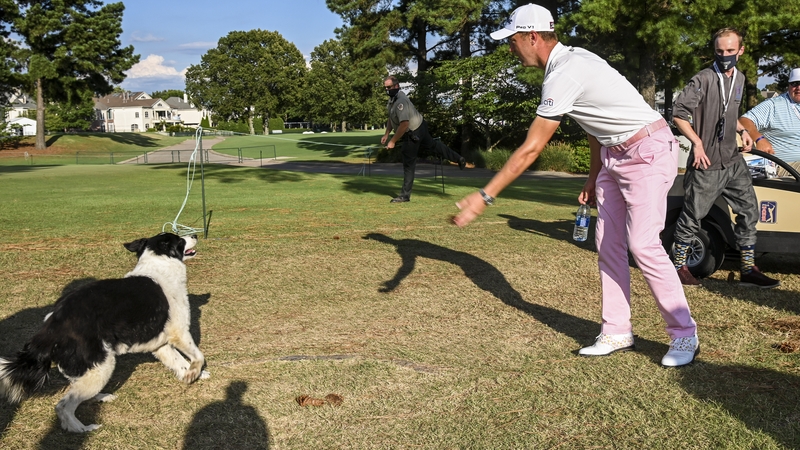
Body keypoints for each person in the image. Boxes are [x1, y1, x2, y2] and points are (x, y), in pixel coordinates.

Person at [452, 3, 698, 367]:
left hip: (648, 149)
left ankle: (684, 335)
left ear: (532, 37)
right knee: (607, 243)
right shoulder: (572, 60)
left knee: (643, 244)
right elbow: (595, 124)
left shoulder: (564, 73)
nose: (510, 48)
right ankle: (616, 331)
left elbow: (531, 148)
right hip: (615, 156)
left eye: (513, 40)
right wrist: (593, 174)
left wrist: (484, 197)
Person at [671, 28, 780, 289]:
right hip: (706, 162)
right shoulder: (704, 79)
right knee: (693, 214)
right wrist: (696, 144)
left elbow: (731, 114)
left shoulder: (740, 78)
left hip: (733, 161)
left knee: (749, 211)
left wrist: (743, 132)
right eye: (720, 51)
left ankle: (747, 268)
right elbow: (678, 113)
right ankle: (677, 267)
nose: (725, 56)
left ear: (740, 51)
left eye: (730, 51)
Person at [381, 75, 466, 203]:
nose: (387, 90)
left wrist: (392, 141)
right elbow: (391, 118)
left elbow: (404, 125)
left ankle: (405, 196)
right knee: (433, 145)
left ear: (397, 86)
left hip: (414, 131)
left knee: (408, 160)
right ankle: (458, 158)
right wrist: (387, 134)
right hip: (420, 124)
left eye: (389, 87)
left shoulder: (401, 102)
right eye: (385, 88)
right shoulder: (392, 100)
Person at [740, 67, 800, 177]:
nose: (798, 88)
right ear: (789, 86)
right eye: (795, 83)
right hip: (785, 166)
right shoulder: (774, 105)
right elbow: (744, 121)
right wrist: (759, 138)